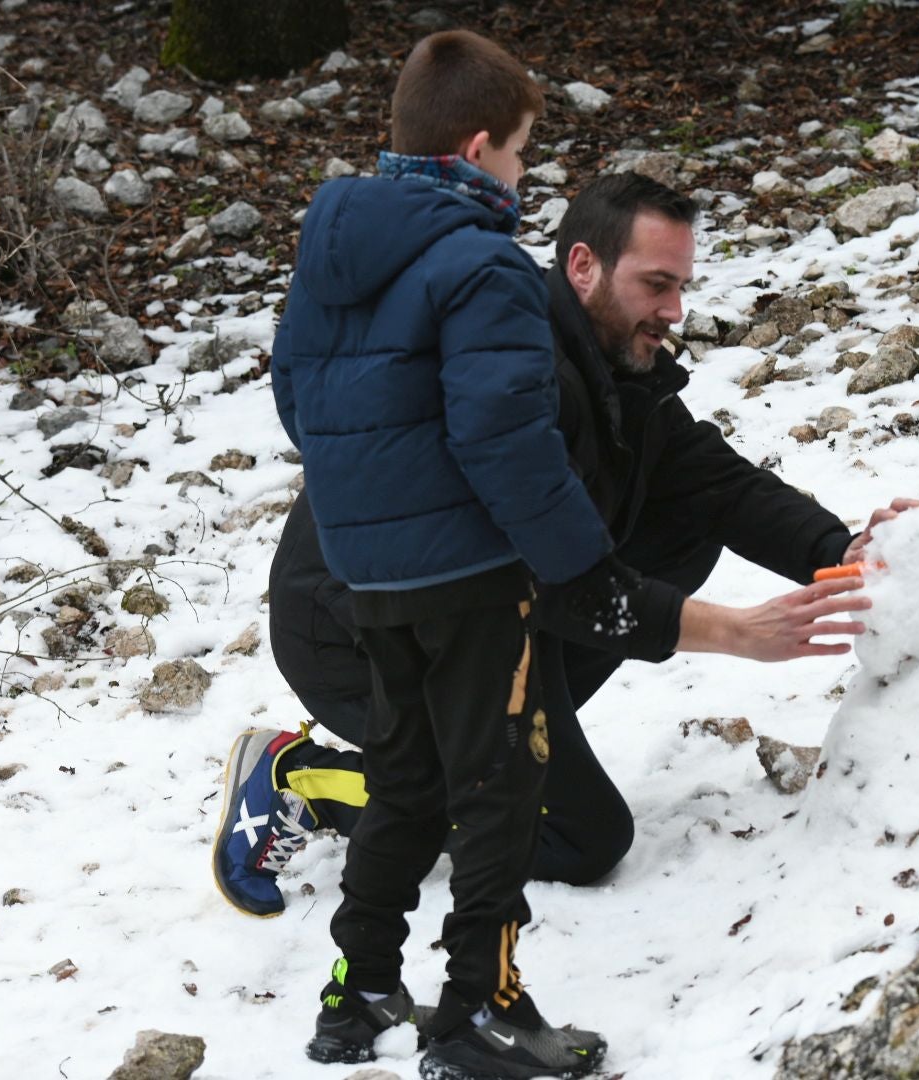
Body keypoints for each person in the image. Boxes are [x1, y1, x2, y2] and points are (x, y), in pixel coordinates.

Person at [219, 173, 915, 1064]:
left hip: (477, 614)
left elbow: (715, 482)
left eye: (681, 288)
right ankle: (304, 779)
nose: (673, 312)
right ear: (582, 266)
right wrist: (736, 632)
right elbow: (544, 572)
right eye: (654, 286)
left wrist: (844, 550)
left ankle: (509, 744)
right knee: (582, 837)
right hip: (356, 627)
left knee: (677, 522)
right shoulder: (520, 364)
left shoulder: (610, 365)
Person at [249, 28, 628, 1077]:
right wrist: (579, 564)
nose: (521, 175)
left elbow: (298, 402)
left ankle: (360, 987)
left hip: (368, 573)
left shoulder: (331, 255)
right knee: (501, 784)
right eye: (517, 155)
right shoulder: (482, 266)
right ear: (474, 149)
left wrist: (376, 503)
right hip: (467, 576)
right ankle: (480, 1012)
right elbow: (504, 437)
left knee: (409, 779)